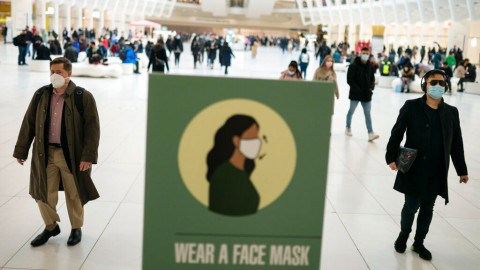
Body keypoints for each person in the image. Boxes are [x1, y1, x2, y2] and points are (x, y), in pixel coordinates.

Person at [13, 57, 100, 247]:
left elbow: (93, 130)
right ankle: (51, 227)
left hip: (72, 154)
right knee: (43, 192)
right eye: (52, 71)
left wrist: (88, 157)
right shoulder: (41, 95)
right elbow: (28, 123)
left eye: (59, 72)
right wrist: (22, 149)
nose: (55, 75)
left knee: (74, 192)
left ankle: (76, 228)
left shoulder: (82, 96)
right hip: (45, 153)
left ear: (69, 73)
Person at [386, 69, 468, 261]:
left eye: (441, 83)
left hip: (437, 170)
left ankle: (419, 242)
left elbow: (456, 143)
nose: (437, 86)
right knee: (411, 206)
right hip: (414, 168)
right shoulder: (411, 106)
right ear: (425, 85)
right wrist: (391, 157)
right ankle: (404, 234)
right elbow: (396, 133)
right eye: (433, 83)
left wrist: (461, 170)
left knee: (428, 208)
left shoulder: (451, 112)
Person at [207, 115, 261, 216]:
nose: (257, 142)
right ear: (236, 140)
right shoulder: (224, 174)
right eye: (252, 138)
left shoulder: (241, 171)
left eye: (257, 138)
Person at [345, 47, 379, 141]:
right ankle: (348, 127)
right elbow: (349, 80)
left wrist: (371, 87)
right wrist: (357, 89)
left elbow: (372, 79)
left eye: (367, 53)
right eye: (363, 53)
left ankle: (370, 133)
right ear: (360, 54)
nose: (365, 55)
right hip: (356, 94)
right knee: (351, 111)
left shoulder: (370, 66)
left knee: (367, 114)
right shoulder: (353, 65)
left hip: (366, 94)